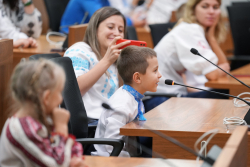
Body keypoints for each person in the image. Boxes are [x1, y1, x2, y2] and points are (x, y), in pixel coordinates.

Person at [143, 0, 230, 112]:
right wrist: (221, 69)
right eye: (205, 6)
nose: (211, 11)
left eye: (216, 7)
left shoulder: (194, 29)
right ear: (193, 10)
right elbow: (212, 74)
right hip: (159, 100)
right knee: (225, 95)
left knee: (225, 94)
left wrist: (211, 38)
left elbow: (223, 67)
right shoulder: (189, 30)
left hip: (171, 95)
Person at [0, 59, 85, 167]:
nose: (61, 99)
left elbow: (70, 153)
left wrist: (73, 159)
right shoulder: (23, 129)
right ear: (46, 98)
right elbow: (60, 164)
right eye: (59, 92)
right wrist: (61, 128)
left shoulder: (41, 120)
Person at [64, 7, 130, 123]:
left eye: (121, 30)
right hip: (90, 123)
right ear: (95, 29)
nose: (116, 33)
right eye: (110, 27)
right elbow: (73, 90)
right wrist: (106, 61)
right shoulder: (79, 50)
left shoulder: (115, 58)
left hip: (112, 120)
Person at [94, 46, 161, 157]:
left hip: (130, 153)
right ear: (137, 78)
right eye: (155, 70)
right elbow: (111, 145)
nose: (160, 75)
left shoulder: (133, 97)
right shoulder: (122, 105)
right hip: (113, 160)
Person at [60, 0, 146, 34]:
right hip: (69, 37)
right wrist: (132, 21)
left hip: (91, 35)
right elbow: (104, 19)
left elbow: (114, 14)